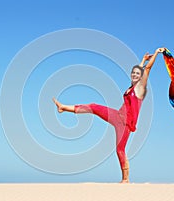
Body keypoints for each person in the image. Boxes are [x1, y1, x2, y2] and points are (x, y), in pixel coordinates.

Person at [53, 47, 165, 183]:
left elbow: (146, 70)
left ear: (141, 77)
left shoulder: (140, 89)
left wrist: (157, 54)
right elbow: (140, 71)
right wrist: (141, 61)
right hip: (117, 116)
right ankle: (64, 107)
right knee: (94, 107)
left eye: (137, 74)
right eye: (133, 73)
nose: (134, 75)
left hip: (126, 124)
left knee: (120, 149)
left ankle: (126, 179)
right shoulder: (132, 87)